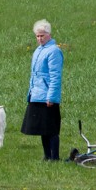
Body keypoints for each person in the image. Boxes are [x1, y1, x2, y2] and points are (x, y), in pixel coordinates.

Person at [21, 19, 64, 161]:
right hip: (37, 95)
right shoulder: (38, 50)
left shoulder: (54, 51)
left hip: (47, 96)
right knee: (42, 129)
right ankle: (47, 156)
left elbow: (55, 77)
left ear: (49, 34)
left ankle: (55, 158)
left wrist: (51, 97)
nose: (40, 38)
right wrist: (31, 93)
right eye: (37, 36)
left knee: (51, 130)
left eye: (42, 36)